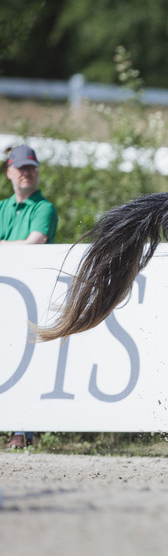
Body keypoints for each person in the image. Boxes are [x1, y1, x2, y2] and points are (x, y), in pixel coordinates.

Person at [1, 144, 58, 450]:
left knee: (28, 364)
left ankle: (23, 430)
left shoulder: (44, 208)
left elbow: (34, 243)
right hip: (5, 297)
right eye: (21, 168)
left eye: (31, 168)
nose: (27, 173)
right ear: (9, 172)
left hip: (35, 298)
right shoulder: (2, 208)